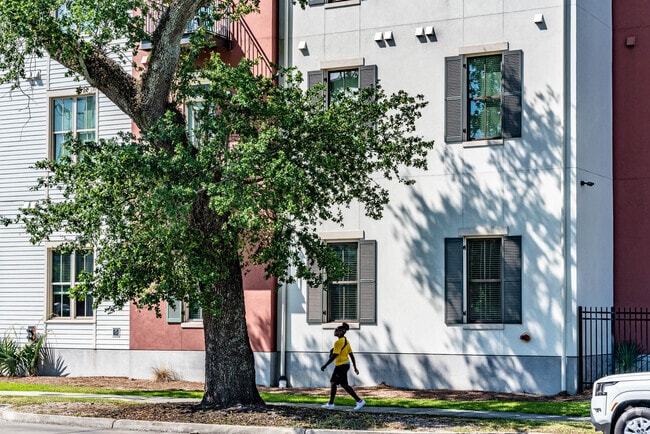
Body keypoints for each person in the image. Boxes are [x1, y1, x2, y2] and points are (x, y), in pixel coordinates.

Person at [320, 322, 366, 410]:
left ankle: (359, 401)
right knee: (337, 383)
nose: (335, 331)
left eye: (336, 330)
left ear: (341, 332)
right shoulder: (346, 341)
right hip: (345, 365)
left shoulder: (338, 342)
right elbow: (351, 355)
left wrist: (325, 365)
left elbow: (334, 356)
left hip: (341, 365)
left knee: (339, 384)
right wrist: (355, 367)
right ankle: (331, 403)